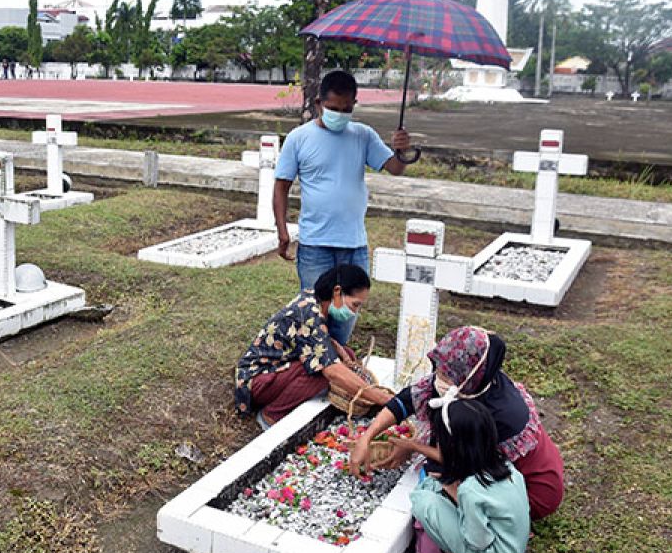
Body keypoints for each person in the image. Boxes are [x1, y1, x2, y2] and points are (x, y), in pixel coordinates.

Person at [347, 326, 565, 521]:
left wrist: (413, 447)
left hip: (534, 491)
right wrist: (366, 437)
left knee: (439, 489)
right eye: (438, 369)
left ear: (469, 374)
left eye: (445, 374)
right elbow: (406, 400)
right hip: (494, 467)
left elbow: (469, 459)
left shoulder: (502, 413)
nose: (437, 378)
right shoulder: (466, 381)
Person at [273, 70, 413, 347]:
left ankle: (336, 364)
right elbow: (281, 187)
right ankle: (316, 369)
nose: (340, 114)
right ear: (318, 104)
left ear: (354, 105)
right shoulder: (298, 138)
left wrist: (402, 151)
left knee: (346, 313)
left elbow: (395, 169)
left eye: (346, 109)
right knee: (316, 315)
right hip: (315, 246)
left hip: (354, 245)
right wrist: (282, 230)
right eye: (333, 108)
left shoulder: (363, 136)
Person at [234, 264, 390, 429]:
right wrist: (381, 398)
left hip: (272, 371)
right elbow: (331, 370)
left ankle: (295, 396)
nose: (355, 311)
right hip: (256, 382)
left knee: (346, 356)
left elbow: (314, 338)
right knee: (322, 372)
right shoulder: (308, 314)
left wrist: (338, 349)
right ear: (337, 292)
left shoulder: (312, 299)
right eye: (355, 304)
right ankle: (272, 416)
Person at [403, 400, 531, 553]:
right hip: (511, 550)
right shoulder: (508, 468)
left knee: (423, 500)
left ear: (452, 447)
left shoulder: (470, 490)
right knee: (435, 485)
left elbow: (478, 541)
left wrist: (460, 506)